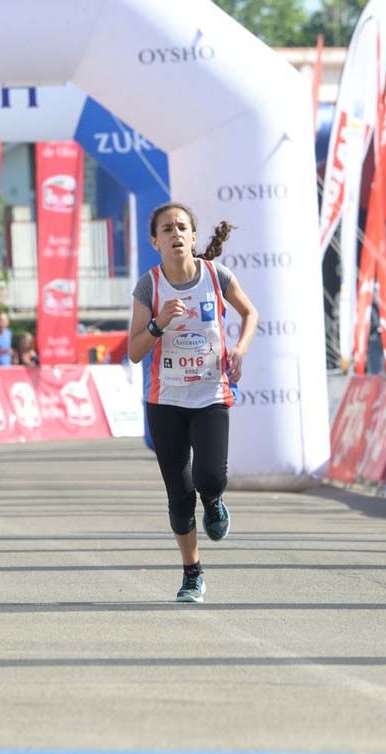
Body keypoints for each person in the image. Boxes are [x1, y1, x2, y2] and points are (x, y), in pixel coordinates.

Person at [127, 202, 258, 603]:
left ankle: (215, 501)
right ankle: (192, 573)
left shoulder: (216, 276)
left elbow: (250, 313)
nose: (176, 234)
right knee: (179, 496)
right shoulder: (149, 286)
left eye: (182, 227)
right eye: (167, 229)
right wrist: (158, 323)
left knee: (209, 479)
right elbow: (134, 350)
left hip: (210, 395)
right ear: (155, 241)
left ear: (194, 237)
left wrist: (240, 349)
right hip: (165, 401)